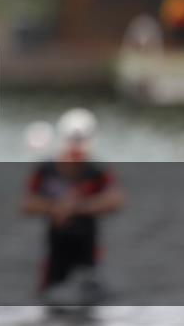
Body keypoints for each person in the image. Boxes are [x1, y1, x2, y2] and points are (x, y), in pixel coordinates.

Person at [22, 108, 124, 307]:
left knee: (90, 297)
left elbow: (115, 200)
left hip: (87, 248)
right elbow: (27, 203)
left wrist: (77, 207)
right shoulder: (46, 170)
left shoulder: (96, 171)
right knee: (50, 299)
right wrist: (55, 208)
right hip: (56, 250)